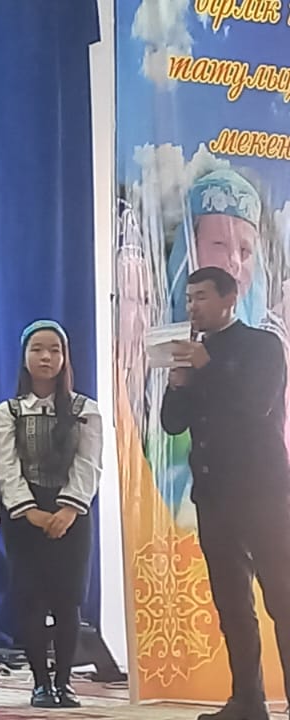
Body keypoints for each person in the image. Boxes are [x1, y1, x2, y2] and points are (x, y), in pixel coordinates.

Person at [162, 267, 290, 720]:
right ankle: (247, 700)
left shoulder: (262, 345)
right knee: (232, 602)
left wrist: (206, 367)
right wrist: (177, 384)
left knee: (282, 596)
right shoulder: (194, 353)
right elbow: (172, 424)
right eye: (188, 298)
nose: (192, 306)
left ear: (229, 298)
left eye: (201, 297)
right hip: (213, 496)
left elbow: (257, 404)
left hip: (263, 492)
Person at [0, 320, 103, 710]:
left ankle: (64, 683)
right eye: (37, 349)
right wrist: (30, 512)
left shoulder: (85, 409)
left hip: (72, 515)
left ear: (64, 358)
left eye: (54, 350)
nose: (46, 357)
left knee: (68, 601)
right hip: (26, 516)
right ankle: (40, 683)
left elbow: (89, 464)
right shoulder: (8, 412)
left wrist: (69, 508)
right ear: (24, 357)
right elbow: (6, 467)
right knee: (31, 600)